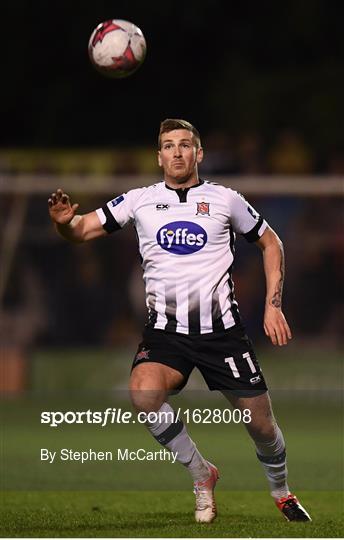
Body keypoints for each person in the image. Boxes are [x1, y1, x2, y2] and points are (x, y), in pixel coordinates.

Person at [48, 118, 311, 524]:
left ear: (198, 153)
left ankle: (281, 491)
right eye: (168, 145)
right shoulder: (139, 200)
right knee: (143, 394)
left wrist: (273, 304)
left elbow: (270, 241)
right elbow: (83, 231)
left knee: (261, 426)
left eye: (185, 145)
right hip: (166, 334)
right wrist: (65, 224)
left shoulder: (226, 199)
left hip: (223, 334)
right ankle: (201, 473)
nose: (176, 152)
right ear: (158, 156)